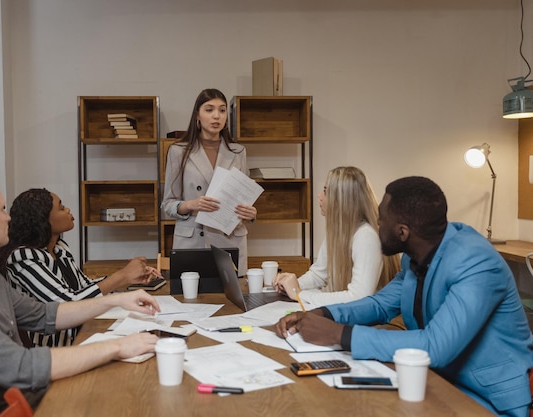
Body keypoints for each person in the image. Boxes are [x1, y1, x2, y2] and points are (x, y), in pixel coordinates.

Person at [275, 176, 533, 416]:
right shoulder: (417, 255)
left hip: (485, 398)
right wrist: (325, 314)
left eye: (380, 220)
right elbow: (380, 305)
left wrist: (339, 334)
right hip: (433, 381)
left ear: (402, 232)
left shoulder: (476, 262)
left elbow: (435, 346)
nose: (376, 226)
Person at [0, 173, 160, 417]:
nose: (8, 218)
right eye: (2, 210)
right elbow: (21, 368)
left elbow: (45, 314)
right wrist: (117, 346)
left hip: (28, 397)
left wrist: (116, 299)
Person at [0, 188, 161, 346]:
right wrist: (122, 276)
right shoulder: (23, 257)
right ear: (43, 219)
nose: (68, 210)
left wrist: (127, 280)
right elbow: (66, 304)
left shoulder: (59, 248)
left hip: (78, 335)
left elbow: (84, 287)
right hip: (49, 350)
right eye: (61, 208)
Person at [161, 88, 256, 276]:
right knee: (192, 302)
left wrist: (251, 213)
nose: (216, 116)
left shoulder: (238, 152)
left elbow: (243, 198)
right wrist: (191, 204)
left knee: (234, 302)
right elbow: (167, 204)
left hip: (229, 241)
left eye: (221, 110)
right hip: (193, 240)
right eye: (209, 109)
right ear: (197, 114)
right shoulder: (178, 151)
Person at [273, 166, 400, 306]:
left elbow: (358, 297)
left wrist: (299, 294)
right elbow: (318, 275)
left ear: (341, 199)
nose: (319, 196)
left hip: (368, 319)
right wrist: (290, 285)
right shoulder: (339, 232)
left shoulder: (366, 237)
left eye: (326, 191)